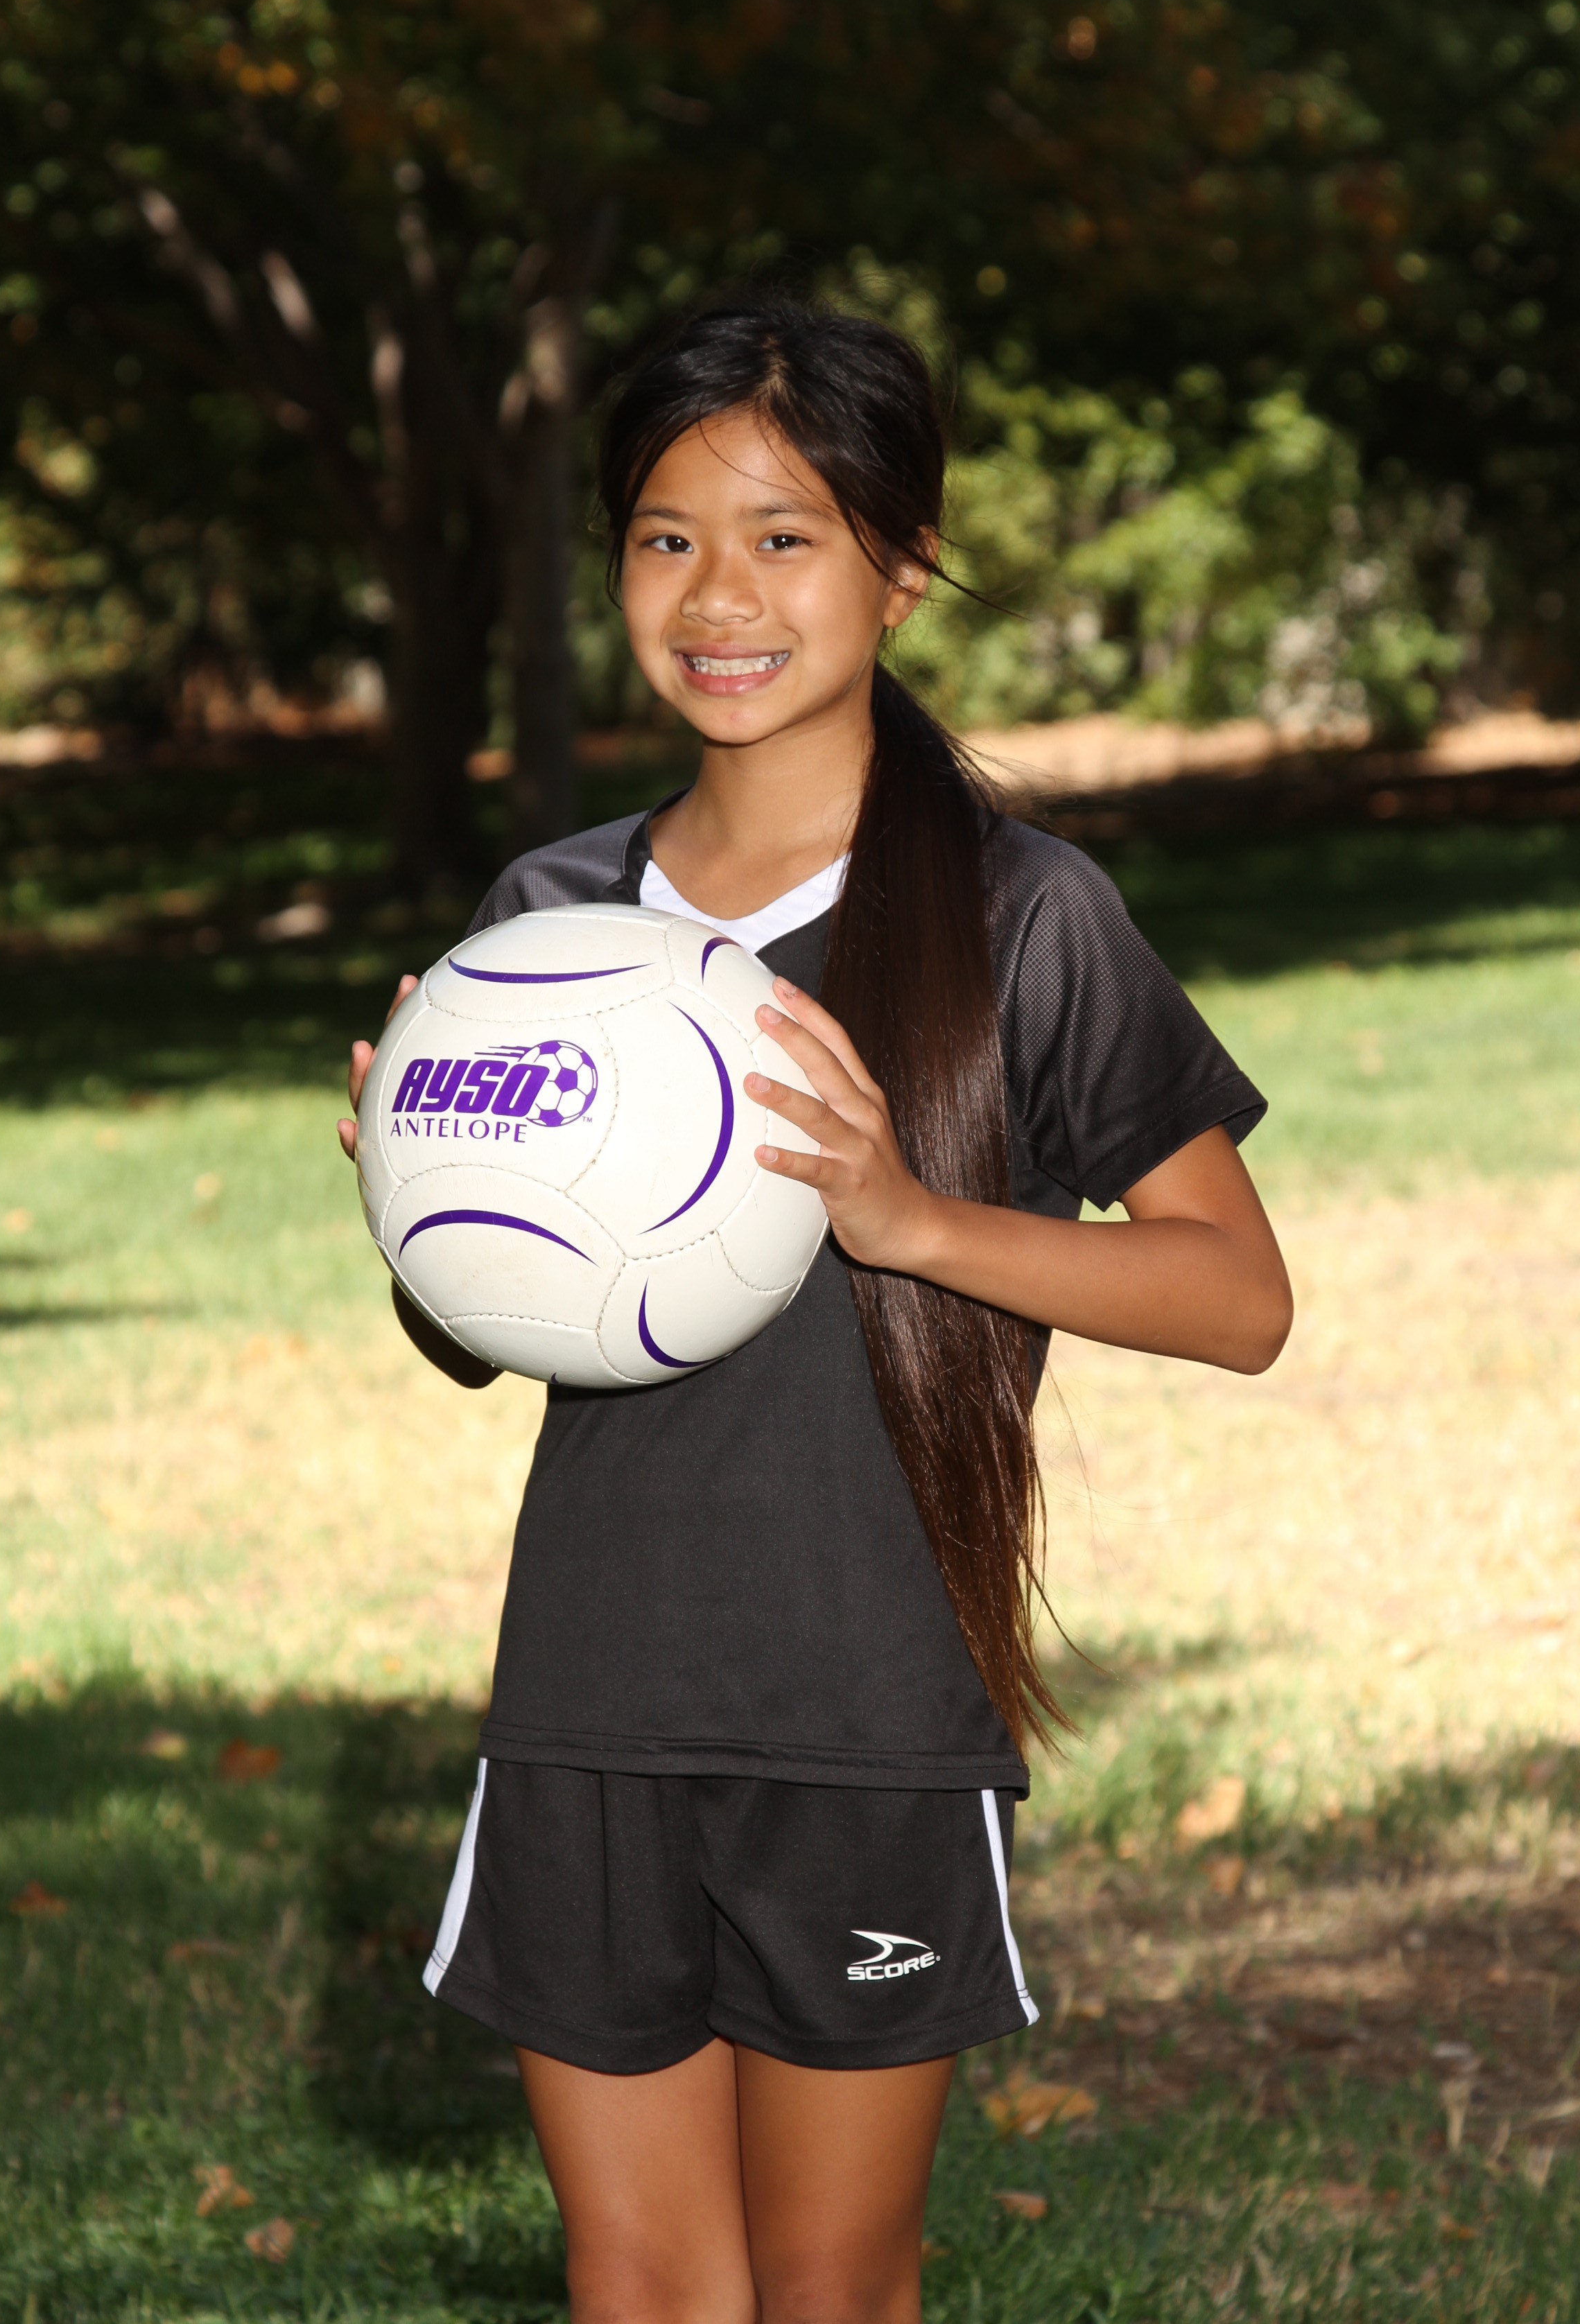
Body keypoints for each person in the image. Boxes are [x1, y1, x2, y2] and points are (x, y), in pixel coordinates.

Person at [338, 299, 1293, 2324]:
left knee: (829, 2283)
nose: (720, 595)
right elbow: (482, 1340)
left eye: (785, 536)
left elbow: (1237, 1295)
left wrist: (914, 1220)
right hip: (591, 1696)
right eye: (666, 538)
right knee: (639, 2279)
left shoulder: (1025, 915)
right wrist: (423, 1216)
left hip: (865, 1716)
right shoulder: (544, 924)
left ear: (904, 565)